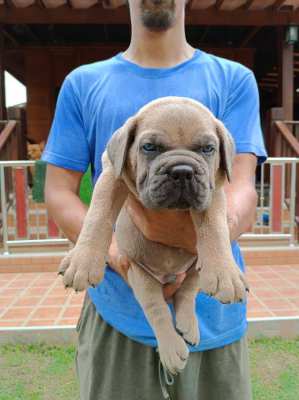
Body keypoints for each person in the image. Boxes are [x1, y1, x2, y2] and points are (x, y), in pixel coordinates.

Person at [42, 1, 267, 399]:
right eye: (152, 149)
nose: (181, 170)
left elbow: (240, 188)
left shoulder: (233, 79)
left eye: (201, 151)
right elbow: (59, 191)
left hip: (214, 312)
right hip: (116, 309)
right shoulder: (83, 82)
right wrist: (113, 252)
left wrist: (205, 252)